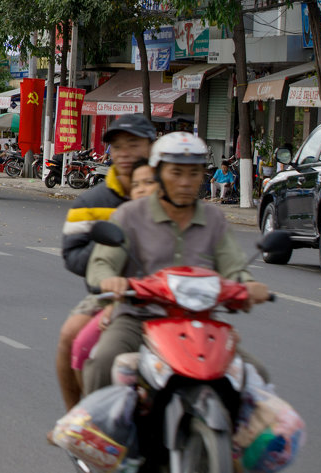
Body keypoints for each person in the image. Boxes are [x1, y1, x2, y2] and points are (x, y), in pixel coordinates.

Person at [82, 132, 271, 394]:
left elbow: (234, 268)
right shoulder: (130, 215)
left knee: (256, 375)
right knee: (104, 360)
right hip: (139, 319)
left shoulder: (214, 218)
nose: (185, 182)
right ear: (158, 173)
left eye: (194, 173)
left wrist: (249, 286)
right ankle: (95, 434)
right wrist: (110, 280)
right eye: (176, 173)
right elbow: (102, 264)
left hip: (201, 324)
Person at [54, 113, 157, 411]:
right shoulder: (90, 202)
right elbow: (72, 255)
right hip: (110, 296)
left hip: (170, 294)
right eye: (118, 146)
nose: (125, 153)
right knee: (71, 337)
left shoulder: (170, 194)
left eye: (133, 144)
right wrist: (110, 265)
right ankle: (78, 419)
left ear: (151, 147)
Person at [66, 158, 159, 393]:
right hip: (128, 308)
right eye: (137, 185)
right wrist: (111, 286)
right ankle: (90, 418)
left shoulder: (199, 219)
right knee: (87, 349)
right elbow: (101, 263)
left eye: (150, 182)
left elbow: (226, 264)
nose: (142, 190)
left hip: (185, 315)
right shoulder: (125, 220)